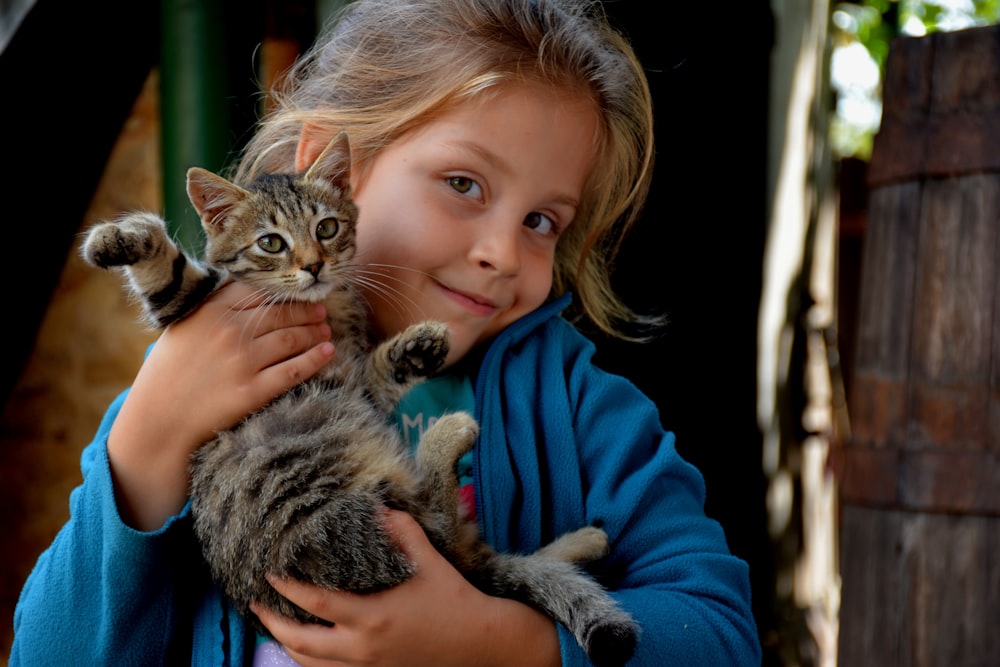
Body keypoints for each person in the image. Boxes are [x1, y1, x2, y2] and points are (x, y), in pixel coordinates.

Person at [11, 0, 762, 665]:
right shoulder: (198, 383)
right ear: (331, 172)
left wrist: (497, 644)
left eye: (542, 221)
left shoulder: (579, 407)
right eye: (464, 184)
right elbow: (49, 654)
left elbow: (723, 634)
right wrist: (148, 435)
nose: (502, 253)